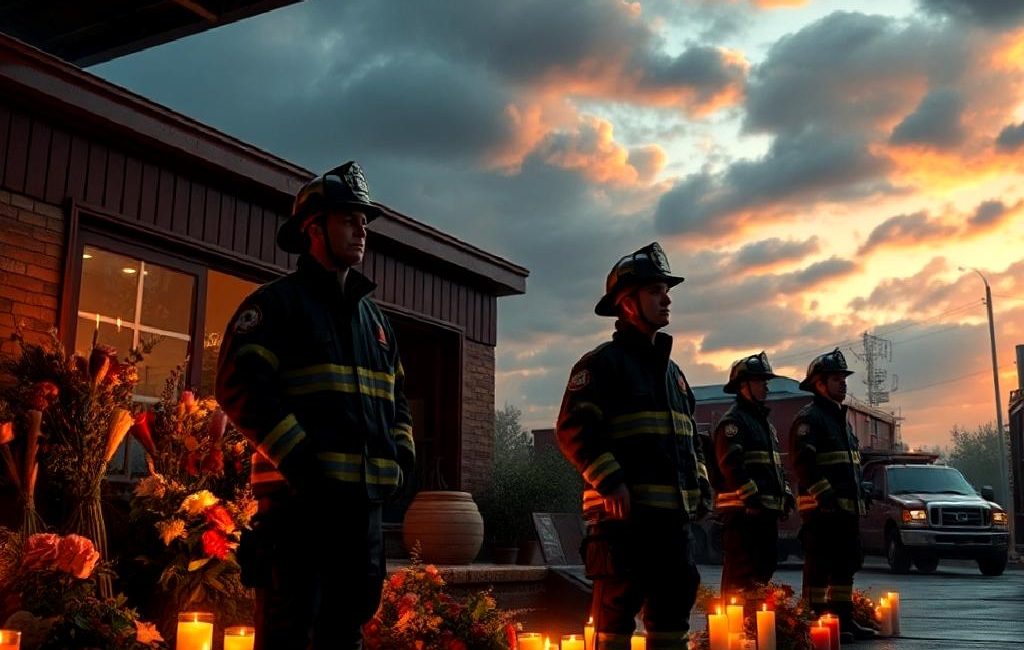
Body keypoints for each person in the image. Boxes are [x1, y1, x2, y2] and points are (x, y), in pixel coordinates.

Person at [216, 161, 415, 650]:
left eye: (363, 220)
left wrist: (402, 458)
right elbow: (240, 386)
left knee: (346, 635)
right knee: (291, 636)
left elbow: (399, 401)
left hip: (362, 517)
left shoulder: (377, 323)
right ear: (313, 228)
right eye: (349, 218)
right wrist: (302, 460)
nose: (361, 229)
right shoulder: (274, 308)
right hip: (297, 515)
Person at [556, 242, 710, 650]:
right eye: (655, 290)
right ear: (626, 303)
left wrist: (700, 488)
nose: (667, 298)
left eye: (667, 289)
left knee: (673, 620)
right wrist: (610, 482)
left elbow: (690, 440)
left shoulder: (674, 375)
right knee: (614, 624)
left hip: (673, 527)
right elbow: (573, 428)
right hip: (622, 526)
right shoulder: (601, 365)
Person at [790, 348, 874, 643]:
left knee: (844, 567)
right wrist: (825, 497)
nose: (843, 383)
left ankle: (843, 621)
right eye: (835, 378)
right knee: (820, 569)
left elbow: (848, 465)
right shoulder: (810, 419)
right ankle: (814, 622)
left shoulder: (840, 420)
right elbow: (804, 464)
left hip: (846, 512)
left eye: (843, 378)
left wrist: (863, 489)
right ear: (818, 384)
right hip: (822, 513)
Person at [712, 352, 794, 602]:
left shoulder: (763, 425)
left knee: (762, 570)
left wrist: (785, 495)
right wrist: (752, 499)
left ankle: (754, 627)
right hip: (743, 516)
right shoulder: (733, 423)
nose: (766, 386)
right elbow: (732, 466)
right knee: (741, 575)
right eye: (760, 381)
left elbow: (774, 467)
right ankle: (736, 630)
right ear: (743, 386)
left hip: (764, 515)